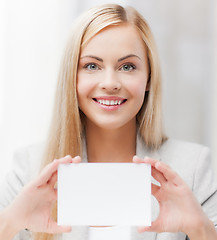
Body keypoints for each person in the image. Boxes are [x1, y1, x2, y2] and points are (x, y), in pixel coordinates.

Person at [0, 3, 217, 240]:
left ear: (148, 79)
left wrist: (201, 231)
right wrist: (8, 225)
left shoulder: (193, 169)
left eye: (127, 66)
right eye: (91, 66)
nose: (110, 82)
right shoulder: (29, 169)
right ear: (71, 77)